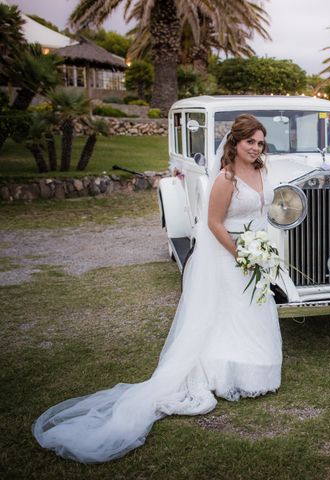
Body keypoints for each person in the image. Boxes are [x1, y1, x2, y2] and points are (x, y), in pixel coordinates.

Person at [32, 114, 282, 463]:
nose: (255, 148)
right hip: (233, 254)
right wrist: (242, 254)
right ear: (235, 144)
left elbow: (265, 210)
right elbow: (213, 223)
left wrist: (264, 248)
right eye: (249, 142)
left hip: (257, 250)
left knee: (253, 308)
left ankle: (256, 367)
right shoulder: (225, 178)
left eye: (259, 142)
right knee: (230, 312)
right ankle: (227, 374)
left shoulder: (262, 171)